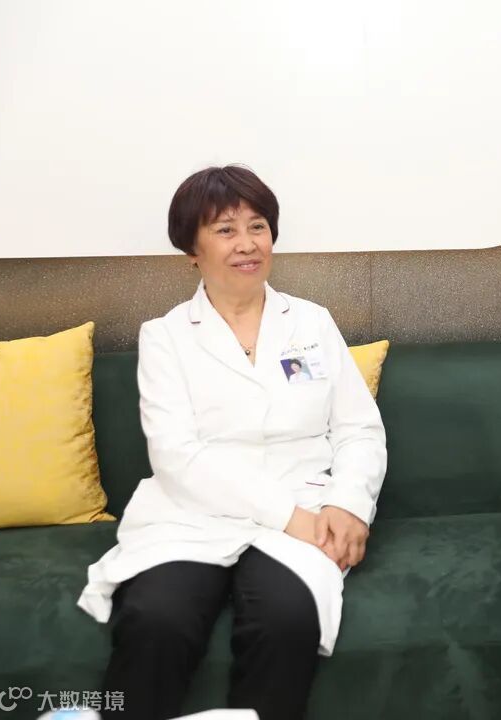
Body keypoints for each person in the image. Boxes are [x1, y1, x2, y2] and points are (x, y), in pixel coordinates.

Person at [77, 165, 387, 720]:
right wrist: (289, 517)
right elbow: (176, 455)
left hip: (309, 501)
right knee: (156, 618)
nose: (247, 244)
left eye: (257, 226)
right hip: (194, 512)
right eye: (225, 230)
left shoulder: (311, 323)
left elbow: (357, 428)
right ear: (191, 250)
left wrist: (348, 504)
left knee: (286, 619)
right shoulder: (166, 336)